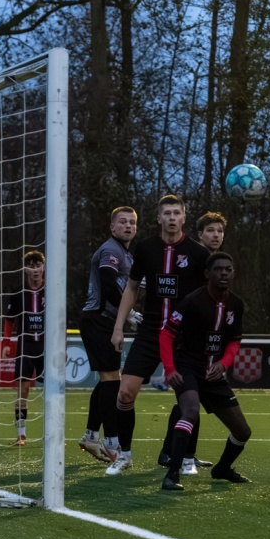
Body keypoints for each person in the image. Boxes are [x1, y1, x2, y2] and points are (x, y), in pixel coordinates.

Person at [107, 195, 210, 475]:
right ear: (159, 218)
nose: (172, 217)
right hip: (150, 333)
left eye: (177, 213)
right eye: (167, 213)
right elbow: (131, 288)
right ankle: (124, 455)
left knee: (188, 399)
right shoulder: (145, 248)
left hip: (184, 338)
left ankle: (186, 459)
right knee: (125, 392)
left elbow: (209, 297)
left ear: (184, 218)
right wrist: (118, 327)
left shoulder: (198, 253)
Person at [159, 252, 253, 491]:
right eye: (219, 269)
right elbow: (166, 334)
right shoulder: (192, 301)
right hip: (187, 368)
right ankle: (172, 474)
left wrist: (224, 363)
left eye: (228, 269)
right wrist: (170, 369)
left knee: (243, 431)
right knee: (190, 411)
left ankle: (222, 469)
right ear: (207, 273)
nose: (224, 273)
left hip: (214, 374)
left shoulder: (236, 304)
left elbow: (234, 340)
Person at [157, 211, 227, 473]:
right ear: (200, 234)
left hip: (204, 342)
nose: (216, 235)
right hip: (184, 340)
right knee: (190, 401)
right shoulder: (193, 259)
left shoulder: (219, 263)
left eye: (219, 231)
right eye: (210, 230)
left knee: (188, 401)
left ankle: (176, 453)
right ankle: (179, 455)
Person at [78, 206, 138, 463]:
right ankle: (112, 442)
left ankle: (91, 435)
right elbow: (108, 282)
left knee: (108, 380)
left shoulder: (127, 254)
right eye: (122, 222)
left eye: (132, 222)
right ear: (112, 227)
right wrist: (130, 313)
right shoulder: (111, 250)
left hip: (104, 320)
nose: (128, 226)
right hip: (98, 319)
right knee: (112, 380)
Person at [2, 250, 45, 447]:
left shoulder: (51, 290)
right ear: (25, 269)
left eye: (38, 266)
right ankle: (21, 435)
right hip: (25, 345)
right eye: (31, 266)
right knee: (23, 390)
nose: (35, 270)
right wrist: (6, 343)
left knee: (51, 391)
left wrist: (62, 346)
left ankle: (52, 433)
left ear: (43, 267)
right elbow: (9, 320)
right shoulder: (18, 292)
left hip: (46, 345)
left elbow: (60, 319)